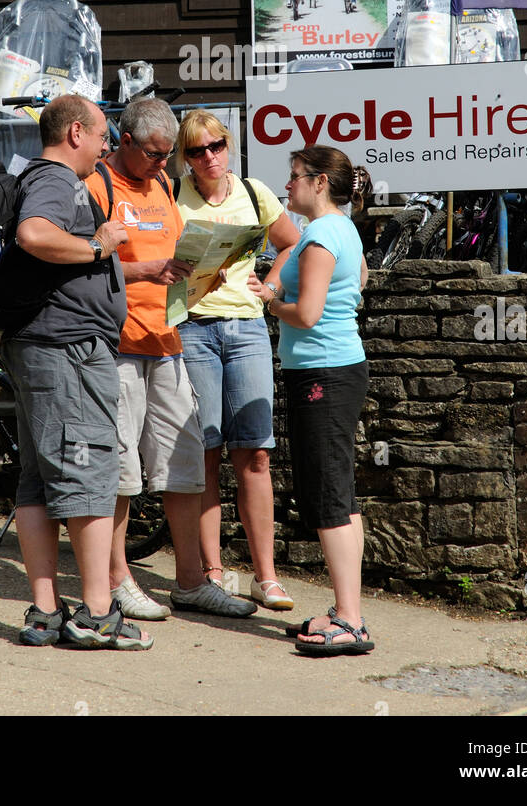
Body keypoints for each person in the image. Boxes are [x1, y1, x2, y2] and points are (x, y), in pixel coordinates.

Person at [86, 98, 258, 619]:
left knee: (184, 466)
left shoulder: (161, 185)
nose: (166, 164)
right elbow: (83, 264)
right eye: (157, 154)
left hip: (169, 339)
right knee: (119, 470)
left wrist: (207, 272)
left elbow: (175, 261)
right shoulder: (96, 187)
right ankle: (116, 580)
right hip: (118, 344)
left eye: (169, 155)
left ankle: (189, 581)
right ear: (126, 143)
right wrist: (146, 271)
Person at [0, 93, 153, 651]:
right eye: (103, 136)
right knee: (88, 474)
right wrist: (97, 244)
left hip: (44, 345)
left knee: (39, 477)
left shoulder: (37, 177)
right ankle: (95, 613)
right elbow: (34, 235)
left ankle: (44, 612)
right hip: (68, 350)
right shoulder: (58, 182)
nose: (107, 147)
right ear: (75, 134)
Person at [249, 144, 372, 655]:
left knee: (327, 495)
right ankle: (347, 611)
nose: (289, 184)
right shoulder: (342, 228)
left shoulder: (320, 234)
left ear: (320, 182)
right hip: (336, 369)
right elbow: (360, 282)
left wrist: (269, 299)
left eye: (296, 176)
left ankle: (350, 622)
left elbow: (308, 314)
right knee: (337, 491)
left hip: (323, 373)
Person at [174, 110, 300, 609]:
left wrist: (269, 286)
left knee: (255, 453)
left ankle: (265, 576)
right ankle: (212, 571)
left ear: (228, 145)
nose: (209, 157)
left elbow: (292, 242)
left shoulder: (254, 191)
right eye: (197, 151)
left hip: (246, 328)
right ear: (185, 158)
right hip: (191, 326)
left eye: (216, 146)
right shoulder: (172, 194)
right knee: (204, 455)